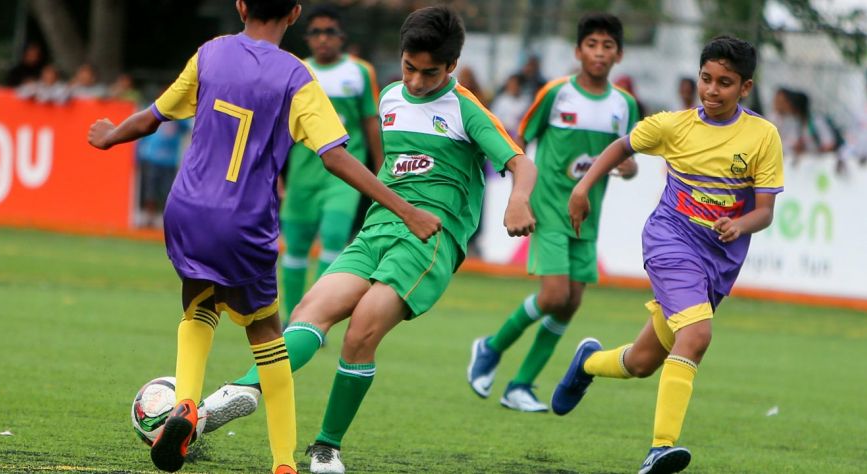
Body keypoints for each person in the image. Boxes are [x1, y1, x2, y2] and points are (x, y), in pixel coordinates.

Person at [86, 0, 440, 472]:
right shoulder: (296, 77)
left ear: (240, 5)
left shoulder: (210, 53)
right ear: (295, 14)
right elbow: (334, 156)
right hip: (243, 221)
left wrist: (111, 136)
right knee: (268, 336)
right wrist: (405, 208)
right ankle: (283, 463)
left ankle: (185, 405)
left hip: (187, 209)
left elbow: (154, 115)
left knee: (198, 307)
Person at [201, 6, 536, 473]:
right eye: (409, 68)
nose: (417, 81)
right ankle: (235, 394)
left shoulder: (467, 109)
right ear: (401, 58)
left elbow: (522, 162)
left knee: (361, 332)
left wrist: (517, 201)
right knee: (308, 314)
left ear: (453, 67)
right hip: (378, 228)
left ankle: (326, 448)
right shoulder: (391, 97)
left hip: (430, 238)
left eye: (430, 72)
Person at [551, 36, 784, 473]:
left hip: (718, 260)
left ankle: (588, 361)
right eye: (706, 79)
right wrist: (583, 187)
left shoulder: (762, 136)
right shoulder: (672, 125)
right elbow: (622, 147)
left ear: (745, 88)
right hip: (670, 240)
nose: (712, 90)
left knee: (641, 363)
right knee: (695, 337)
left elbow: (766, 211)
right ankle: (660, 447)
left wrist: (740, 224)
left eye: (725, 83)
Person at [467, 13, 639, 413]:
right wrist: (519, 194)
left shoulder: (625, 105)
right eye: (592, 45)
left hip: (588, 214)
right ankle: (490, 347)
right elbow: (521, 137)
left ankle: (521, 385)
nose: (599, 52)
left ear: (619, 54)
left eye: (607, 46)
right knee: (554, 294)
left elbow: (625, 158)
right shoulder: (556, 93)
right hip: (548, 205)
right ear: (578, 51)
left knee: (571, 301)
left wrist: (629, 169)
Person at [276, 4, 383, 328]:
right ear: (307, 38)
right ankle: (292, 318)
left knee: (335, 236)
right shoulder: (296, 71)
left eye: (330, 32)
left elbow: (370, 122)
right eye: (316, 32)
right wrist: (273, 174)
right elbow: (281, 128)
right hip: (302, 172)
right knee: (294, 247)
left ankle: (317, 317)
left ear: (342, 36)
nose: (323, 39)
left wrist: (382, 171)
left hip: (344, 174)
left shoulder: (360, 72)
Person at [136, 118, 189, 228]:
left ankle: (166, 219)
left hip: (169, 160)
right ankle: (149, 216)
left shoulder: (180, 116)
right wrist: (140, 153)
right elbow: (145, 130)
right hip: (153, 157)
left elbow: (186, 129)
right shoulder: (155, 109)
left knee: (167, 192)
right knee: (150, 190)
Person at [489, 74, 531, 138]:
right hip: (504, 134)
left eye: (515, 84)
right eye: (511, 84)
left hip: (520, 135)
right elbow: (493, 118)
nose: (513, 87)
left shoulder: (526, 101)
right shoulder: (501, 101)